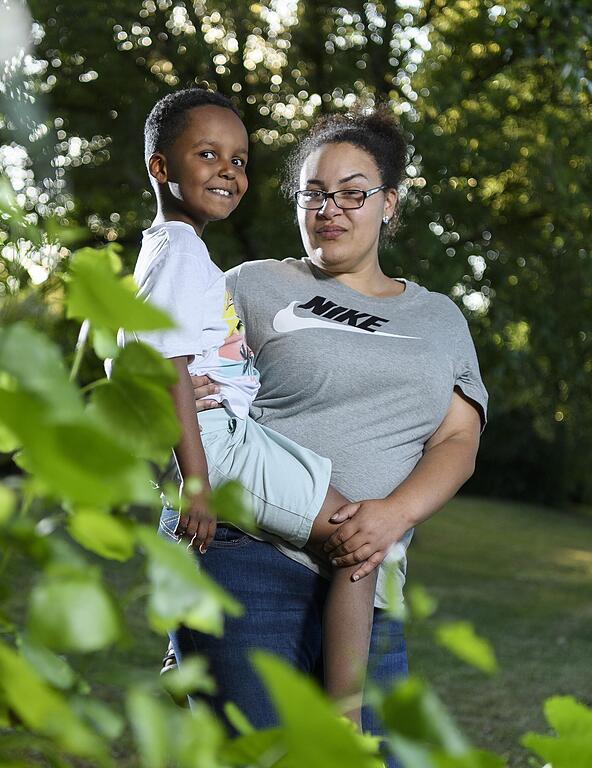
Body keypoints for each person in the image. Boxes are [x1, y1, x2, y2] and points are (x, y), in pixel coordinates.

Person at [157, 100, 488, 767]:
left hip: (370, 584)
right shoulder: (254, 284)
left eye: (351, 193)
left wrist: (392, 516)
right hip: (247, 563)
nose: (329, 209)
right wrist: (159, 390)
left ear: (389, 203)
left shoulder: (439, 318)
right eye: (313, 194)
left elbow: (458, 442)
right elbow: (171, 346)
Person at [134, 88, 391, 725]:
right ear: (160, 168)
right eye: (208, 154)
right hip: (218, 442)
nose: (230, 170)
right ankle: (345, 723)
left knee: (355, 530)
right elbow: (163, 364)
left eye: (241, 160)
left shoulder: (176, 251)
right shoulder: (181, 253)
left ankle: (184, 647)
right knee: (360, 541)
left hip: (224, 435)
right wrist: (195, 482)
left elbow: (138, 349)